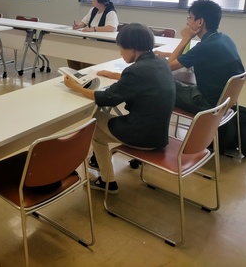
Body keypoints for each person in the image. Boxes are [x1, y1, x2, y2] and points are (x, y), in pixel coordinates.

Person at [63, 23, 175, 194]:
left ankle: (107, 181)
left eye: (122, 48)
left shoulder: (135, 71)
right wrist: (115, 75)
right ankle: (97, 162)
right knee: (101, 121)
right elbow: (143, 79)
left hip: (143, 138)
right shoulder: (161, 62)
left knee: (93, 122)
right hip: (159, 135)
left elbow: (107, 98)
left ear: (133, 48)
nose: (120, 52)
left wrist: (76, 87)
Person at [154, 0, 244, 114]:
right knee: (170, 82)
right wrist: (167, 54)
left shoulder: (205, 47)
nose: (187, 22)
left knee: (159, 82)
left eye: (190, 18)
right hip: (222, 100)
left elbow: (167, 67)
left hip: (206, 103)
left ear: (200, 22)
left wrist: (186, 39)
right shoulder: (224, 38)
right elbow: (189, 56)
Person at [68, 0, 119, 70]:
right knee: (72, 57)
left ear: (100, 1)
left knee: (85, 60)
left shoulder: (110, 13)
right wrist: (78, 25)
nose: (92, 0)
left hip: (101, 44)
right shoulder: (93, 10)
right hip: (89, 41)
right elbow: (84, 22)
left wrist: (93, 29)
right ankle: (76, 74)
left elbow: (111, 28)